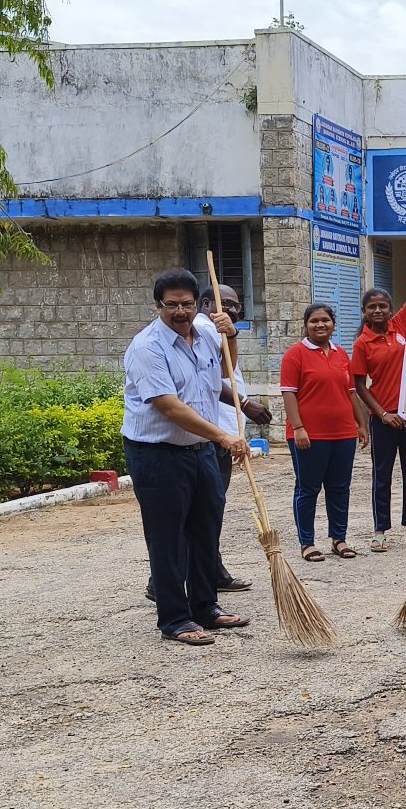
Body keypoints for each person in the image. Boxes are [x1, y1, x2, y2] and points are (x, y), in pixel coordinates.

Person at [121, 267, 253, 646]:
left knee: (205, 529)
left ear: (198, 304)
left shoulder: (206, 333)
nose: (180, 312)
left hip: (200, 451)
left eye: (187, 304)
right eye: (171, 305)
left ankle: (205, 606)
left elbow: (225, 372)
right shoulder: (147, 348)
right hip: (158, 454)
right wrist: (223, 436)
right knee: (168, 537)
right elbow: (170, 406)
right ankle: (175, 618)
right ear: (158, 305)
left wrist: (231, 335)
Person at [186, 284, 271, 595]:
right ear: (207, 303)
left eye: (237, 305)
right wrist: (246, 404)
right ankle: (169, 578)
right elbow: (206, 378)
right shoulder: (202, 327)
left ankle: (212, 569)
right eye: (228, 303)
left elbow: (227, 371)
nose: (234, 310)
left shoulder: (219, 329)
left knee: (212, 507)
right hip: (212, 434)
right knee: (205, 508)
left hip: (224, 433)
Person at [279, 303, 370, 562]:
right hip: (308, 435)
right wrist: (298, 427)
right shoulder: (295, 354)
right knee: (308, 489)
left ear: (333, 324)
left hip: (342, 434)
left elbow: (351, 393)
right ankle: (307, 543)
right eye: (314, 321)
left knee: (340, 488)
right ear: (306, 325)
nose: (320, 325)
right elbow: (289, 393)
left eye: (325, 321)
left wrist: (361, 425)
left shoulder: (342, 354)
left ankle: (338, 539)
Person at [350, 287, 406, 553]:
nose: (378, 310)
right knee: (381, 476)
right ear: (365, 312)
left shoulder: (400, 325)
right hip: (383, 418)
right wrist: (382, 414)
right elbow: (360, 385)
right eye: (372, 307)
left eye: (383, 305)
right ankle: (380, 530)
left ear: (391, 309)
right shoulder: (363, 343)